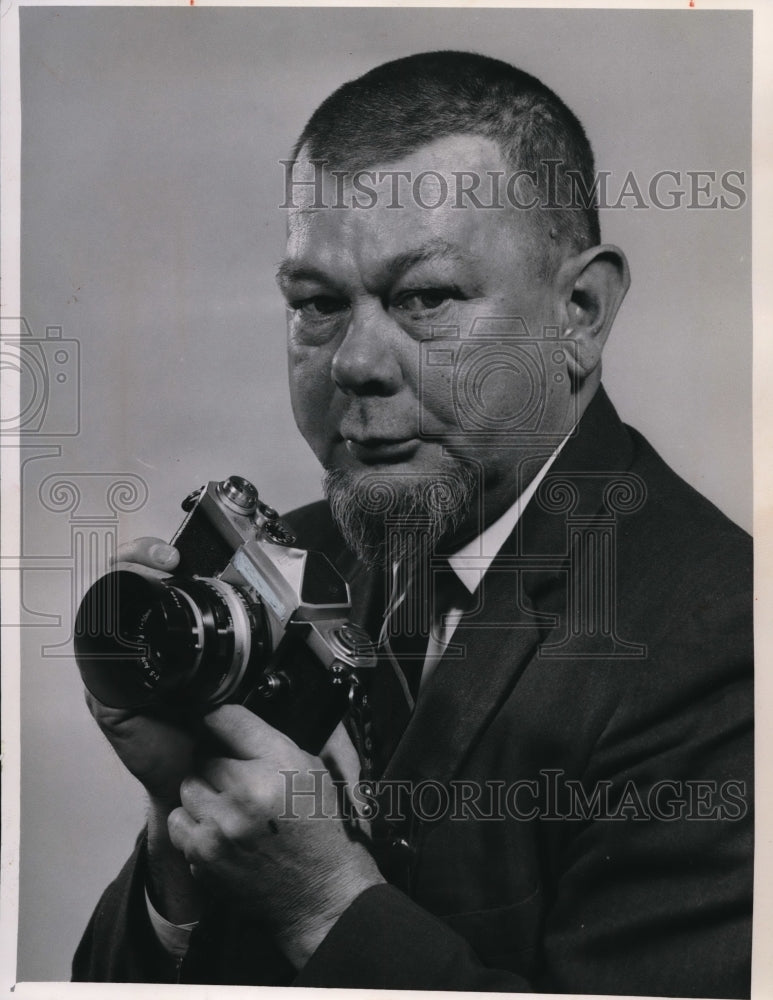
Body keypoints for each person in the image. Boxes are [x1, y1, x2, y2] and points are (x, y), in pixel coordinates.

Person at [72, 51, 753, 996]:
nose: (354, 361)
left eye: (424, 298)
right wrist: (179, 825)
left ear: (581, 314)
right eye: (315, 305)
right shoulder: (296, 563)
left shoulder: (722, 635)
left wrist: (322, 906)